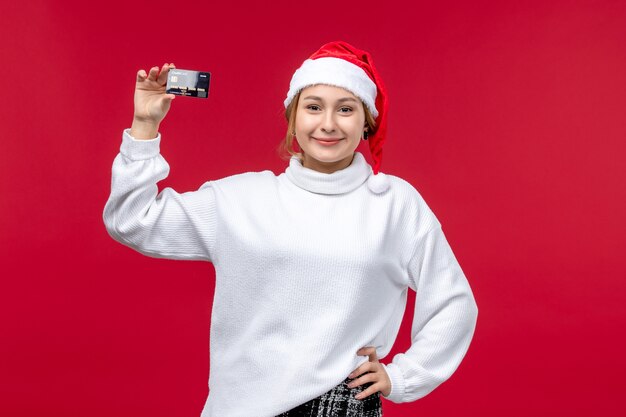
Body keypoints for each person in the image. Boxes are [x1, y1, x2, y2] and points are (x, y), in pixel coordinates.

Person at [103, 41, 478, 417]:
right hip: (239, 407)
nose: (328, 124)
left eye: (345, 109)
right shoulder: (240, 199)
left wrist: (405, 376)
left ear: (366, 122)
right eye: (313, 107)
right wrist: (145, 125)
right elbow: (132, 220)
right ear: (293, 117)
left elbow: (453, 301)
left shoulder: (395, 203)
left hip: (341, 405)